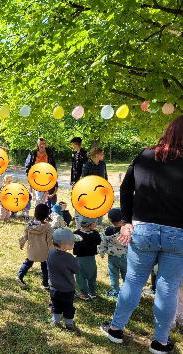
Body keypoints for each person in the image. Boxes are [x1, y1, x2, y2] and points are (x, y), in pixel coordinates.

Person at [101, 116, 183, 354]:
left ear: (168, 132)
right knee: (167, 287)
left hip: (143, 230)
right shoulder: (146, 156)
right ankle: (160, 341)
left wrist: (126, 221)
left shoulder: (145, 155)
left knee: (134, 281)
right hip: (177, 234)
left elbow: (126, 188)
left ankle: (116, 329)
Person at [48, 228, 80, 331]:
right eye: (72, 242)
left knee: (56, 305)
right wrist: (76, 260)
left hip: (53, 288)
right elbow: (76, 269)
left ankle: (55, 321)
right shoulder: (69, 257)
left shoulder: (50, 253)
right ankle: (69, 324)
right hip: (68, 289)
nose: (74, 243)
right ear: (64, 244)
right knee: (68, 307)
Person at [16, 204, 53, 290]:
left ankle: (19, 276)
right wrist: (52, 250)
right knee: (45, 267)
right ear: (47, 215)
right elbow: (49, 240)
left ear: (35, 213)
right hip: (44, 252)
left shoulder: (29, 224)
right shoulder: (48, 227)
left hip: (31, 250)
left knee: (28, 263)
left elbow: (24, 237)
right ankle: (45, 283)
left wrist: (21, 244)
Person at [98, 208, 127, 298]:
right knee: (126, 275)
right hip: (126, 257)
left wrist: (101, 252)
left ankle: (115, 291)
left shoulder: (107, 230)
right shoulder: (127, 230)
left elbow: (102, 243)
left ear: (109, 220)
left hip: (112, 257)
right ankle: (128, 291)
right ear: (123, 218)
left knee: (113, 275)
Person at [73, 216, 101, 300]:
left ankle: (83, 293)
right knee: (92, 276)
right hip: (91, 259)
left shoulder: (76, 233)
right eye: (94, 223)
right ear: (90, 225)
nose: (95, 225)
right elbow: (99, 242)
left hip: (80, 259)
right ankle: (92, 292)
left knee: (81, 277)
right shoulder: (95, 233)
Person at [25, 137, 57, 204]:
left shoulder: (49, 153)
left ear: (45, 144)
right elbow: (27, 165)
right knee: (38, 197)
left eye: (43, 143)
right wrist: (29, 176)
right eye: (40, 144)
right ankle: (38, 211)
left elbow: (53, 165)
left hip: (47, 177)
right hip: (36, 177)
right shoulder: (33, 153)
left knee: (45, 197)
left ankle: (44, 211)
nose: (42, 145)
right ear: (37, 144)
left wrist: (55, 175)